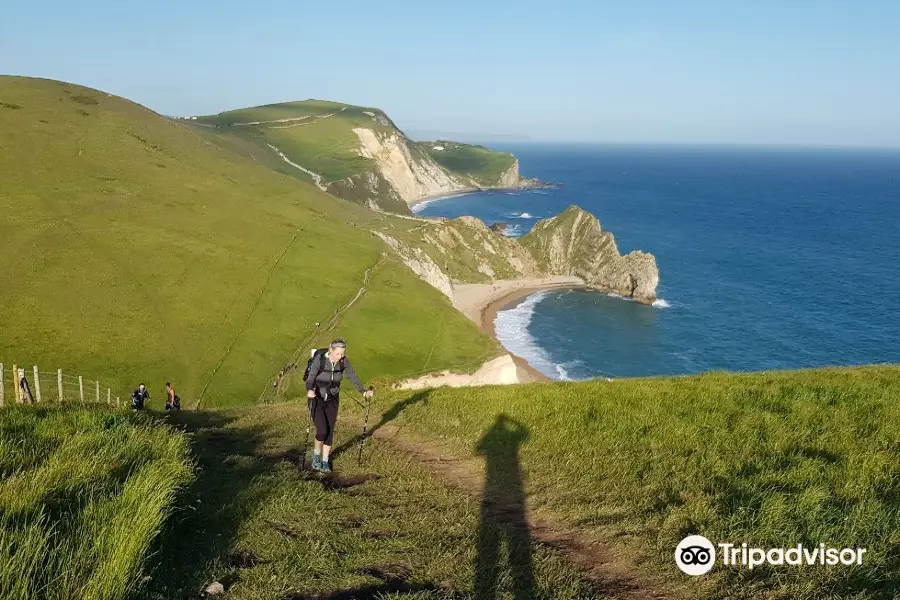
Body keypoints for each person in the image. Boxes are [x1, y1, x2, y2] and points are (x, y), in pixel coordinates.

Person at [305, 338, 373, 473]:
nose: (341, 357)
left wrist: (363, 391)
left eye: (342, 354)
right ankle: (316, 456)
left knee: (330, 431)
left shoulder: (343, 362)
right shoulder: (320, 360)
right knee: (322, 430)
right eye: (338, 354)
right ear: (331, 351)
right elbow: (310, 379)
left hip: (333, 399)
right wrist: (310, 390)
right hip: (316, 399)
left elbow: (352, 376)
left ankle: (325, 461)